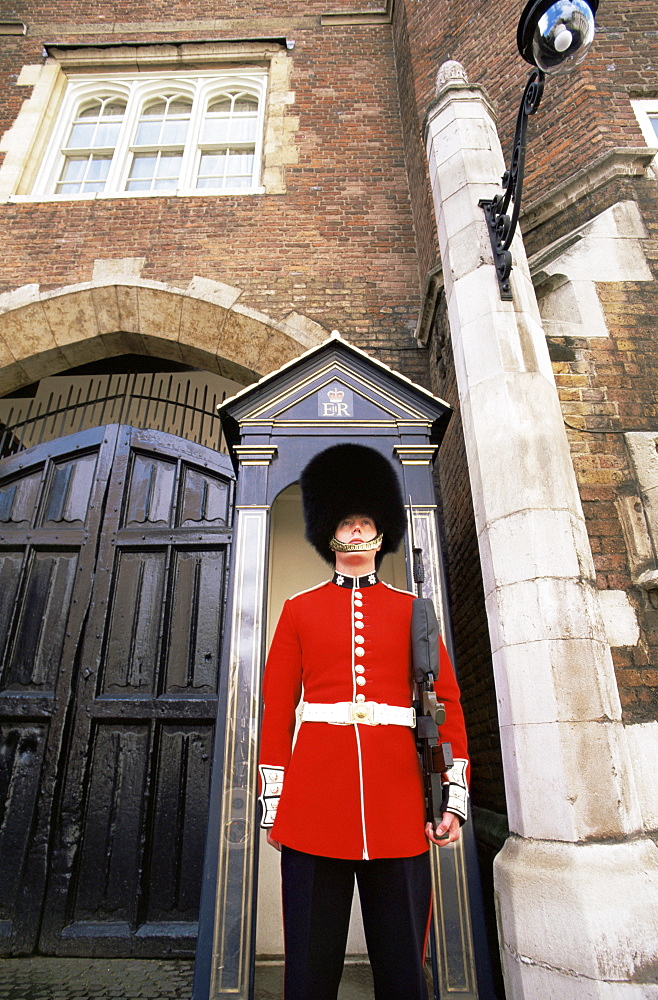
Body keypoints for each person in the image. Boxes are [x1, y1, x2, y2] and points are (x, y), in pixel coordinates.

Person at [258, 444, 469, 1000]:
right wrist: (276, 800)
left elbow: (445, 705)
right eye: (346, 523)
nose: (355, 532)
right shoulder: (299, 609)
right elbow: (277, 707)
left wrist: (452, 799)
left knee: (402, 965)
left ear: (382, 535)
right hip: (314, 802)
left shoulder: (412, 611)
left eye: (366, 522)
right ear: (330, 534)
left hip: (398, 802)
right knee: (309, 963)